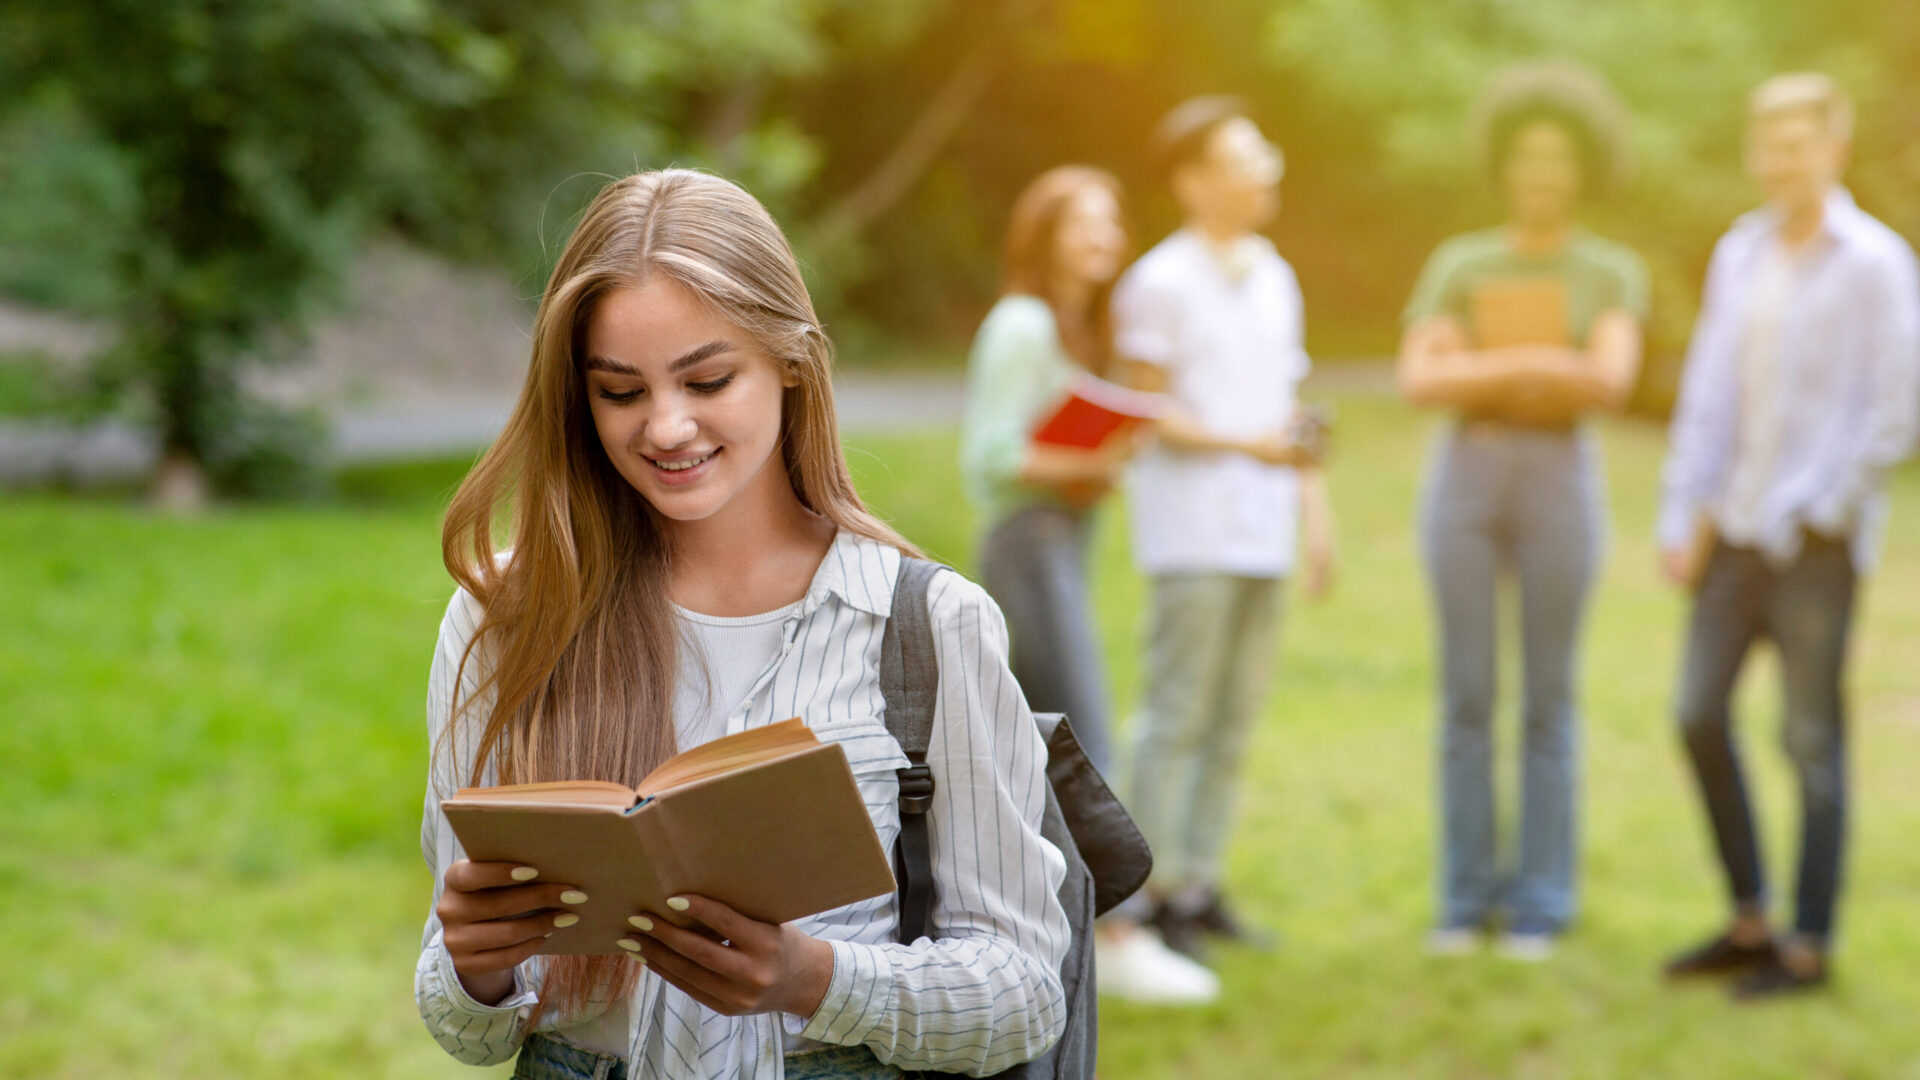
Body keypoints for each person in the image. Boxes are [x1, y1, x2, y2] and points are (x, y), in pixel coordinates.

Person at [414, 169, 1072, 1079]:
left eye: (708, 378)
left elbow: (1028, 994)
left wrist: (813, 978)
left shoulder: (925, 624)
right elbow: (464, 1026)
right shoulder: (505, 618)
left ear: (792, 360)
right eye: (620, 391)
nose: (667, 428)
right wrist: (475, 972)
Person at [1657, 73, 1920, 999]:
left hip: (1815, 540)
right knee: (1695, 714)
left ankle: (1806, 944)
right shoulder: (1741, 253)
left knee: (1811, 742)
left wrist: (1824, 510)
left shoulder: (1876, 262)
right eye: (1765, 144)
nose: (1779, 160)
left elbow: (1896, 407)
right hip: (1732, 528)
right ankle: (1747, 916)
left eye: (1797, 143)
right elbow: (1709, 394)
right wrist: (1680, 510)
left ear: (1832, 149)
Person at [1397, 61, 1647, 961]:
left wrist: (1485, 359)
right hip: (1465, 481)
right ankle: (1464, 901)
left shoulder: (1609, 269)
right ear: (1503, 164)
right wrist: (1545, 362)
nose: (1542, 175)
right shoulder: (1460, 261)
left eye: (1559, 160)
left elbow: (1609, 380)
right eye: (1527, 158)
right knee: (1467, 695)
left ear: (1584, 168)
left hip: (1559, 483)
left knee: (1549, 696)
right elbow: (1422, 378)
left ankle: (1541, 899)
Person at [959, 166, 1215, 1004]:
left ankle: (1035, 934)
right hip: (1026, 541)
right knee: (1087, 740)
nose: (1106, 234)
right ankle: (1117, 936)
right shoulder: (1024, 323)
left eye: (1114, 219)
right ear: (1044, 232)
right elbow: (991, 457)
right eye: (1085, 220)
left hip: (1055, 540)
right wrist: (1094, 461)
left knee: (1031, 751)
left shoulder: (1070, 328)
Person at [1111, 95, 1337, 968]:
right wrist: (1251, 447)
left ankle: (1200, 886)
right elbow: (1142, 412)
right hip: (1191, 531)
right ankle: (1148, 895)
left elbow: (1291, 414)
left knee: (1234, 721)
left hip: (1265, 531)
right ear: (1195, 180)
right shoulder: (1160, 283)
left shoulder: (1276, 275)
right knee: (1175, 717)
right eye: (1247, 156)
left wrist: (1317, 518)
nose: (1266, 168)